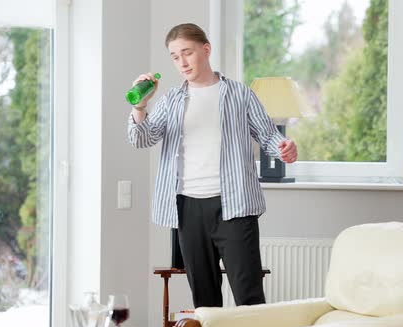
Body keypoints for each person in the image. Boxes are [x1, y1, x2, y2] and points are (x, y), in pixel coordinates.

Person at [127, 23, 297, 308]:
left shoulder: (240, 95)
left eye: (187, 52)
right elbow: (141, 139)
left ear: (205, 50)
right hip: (187, 208)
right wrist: (140, 106)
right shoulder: (171, 100)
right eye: (174, 56)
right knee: (204, 301)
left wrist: (284, 150)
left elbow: (269, 137)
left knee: (249, 297)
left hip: (235, 206)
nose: (181, 62)